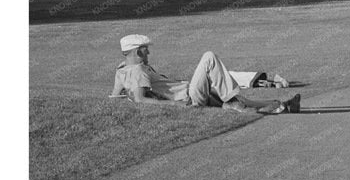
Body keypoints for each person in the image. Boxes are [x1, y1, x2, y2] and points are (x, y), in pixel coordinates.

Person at [110, 34, 298, 114]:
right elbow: (140, 99)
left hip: (190, 93)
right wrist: (175, 105)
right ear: (136, 51)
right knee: (209, 58)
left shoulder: (123, 69)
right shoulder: (138, 70)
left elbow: (115, 97)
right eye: (145, 49)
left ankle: (280, 106)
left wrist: (121, 95)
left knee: (244, 101)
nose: (148, 52)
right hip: (188, 98)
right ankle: (231, 102)